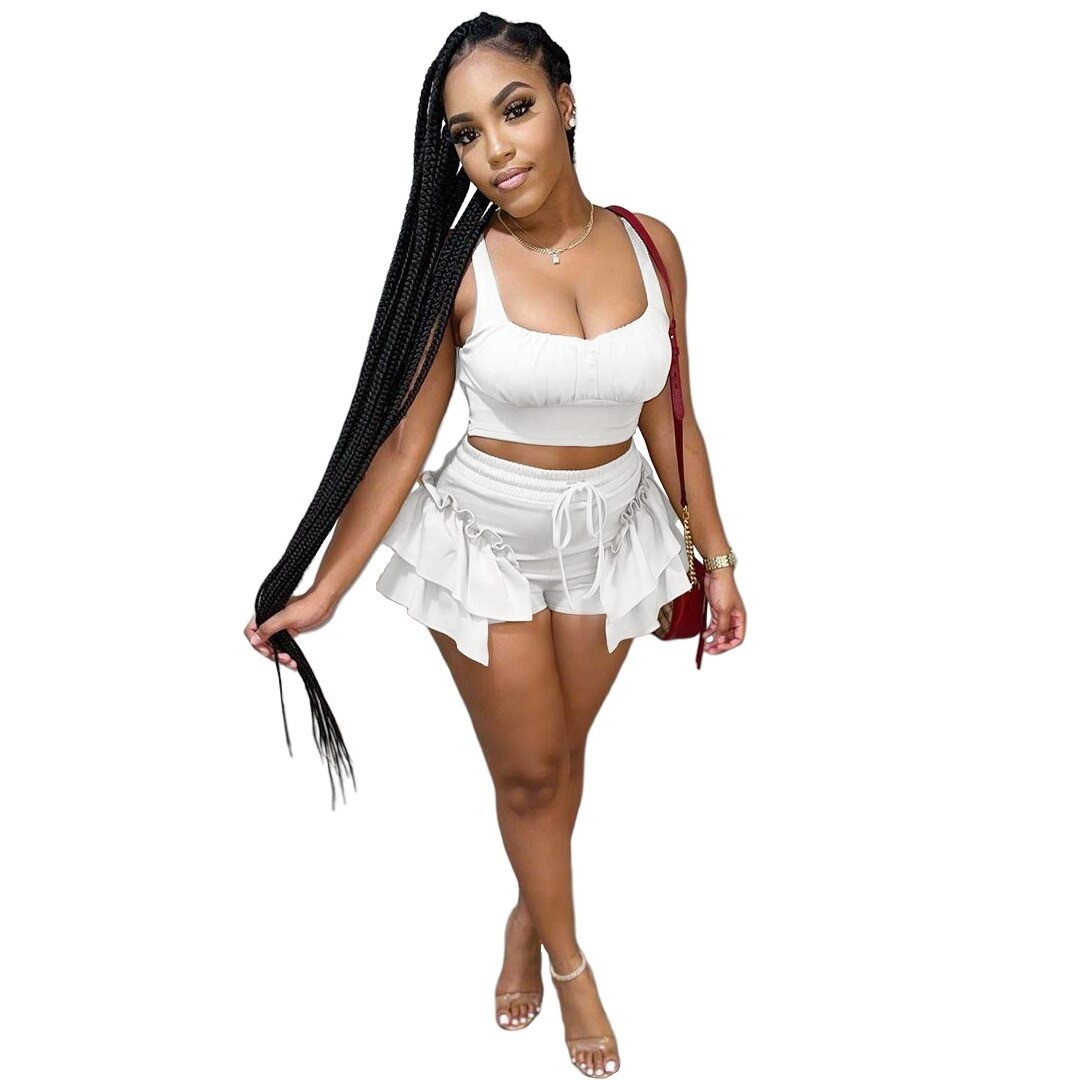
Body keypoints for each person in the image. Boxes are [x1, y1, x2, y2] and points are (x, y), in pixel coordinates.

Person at [245, 14, 746, 1077]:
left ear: (566, 102)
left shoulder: (653, 246)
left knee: (561, 760)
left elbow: (672, 418)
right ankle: (569, 963)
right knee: (530, 779)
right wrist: (325, 591)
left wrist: (719, 558)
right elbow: (402, 446)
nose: (494, 150)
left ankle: (527, 911)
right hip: (488, 545)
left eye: (514, 111)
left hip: (616, 534)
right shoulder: (460, 270)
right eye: (466, 134)